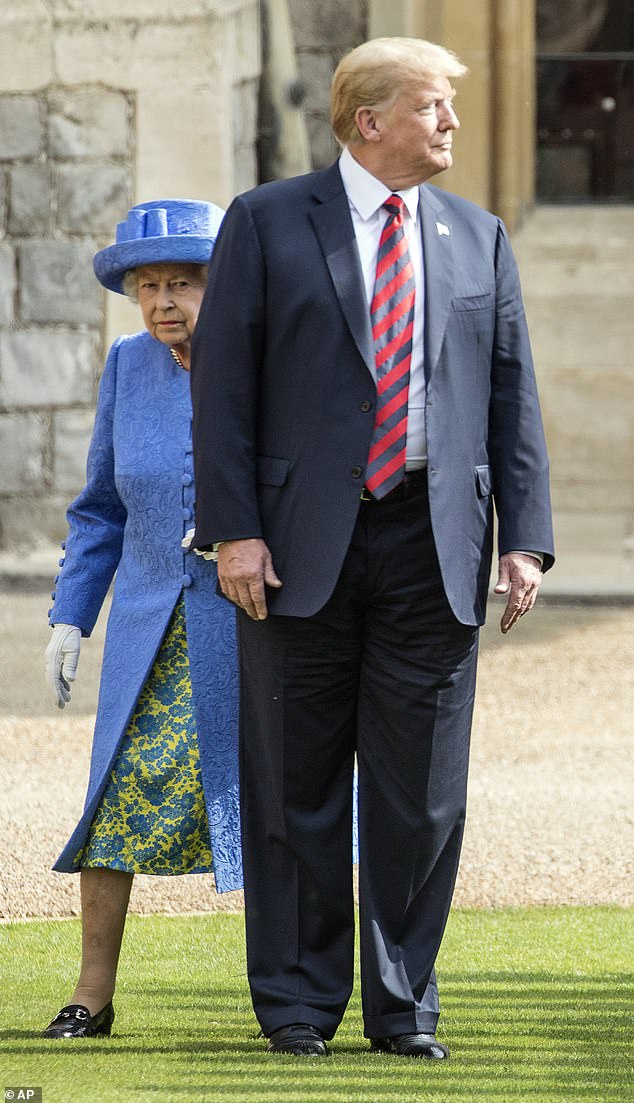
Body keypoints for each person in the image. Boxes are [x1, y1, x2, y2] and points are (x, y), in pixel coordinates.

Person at [190, 37, 555, 1059]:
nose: (448, 124)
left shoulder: (478, 236)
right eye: (433, 107)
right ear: (369, 121)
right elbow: (220, 391)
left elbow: (510, 397)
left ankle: (404, 1008)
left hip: (431, 545)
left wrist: (524, 540)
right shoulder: (266, 222)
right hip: (295, 548)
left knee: (422, 795)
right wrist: (235, 531)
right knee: (294, 786)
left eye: (448, 109)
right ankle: (299, 1004)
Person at [43, 200, 242, 1039]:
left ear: (219, 284)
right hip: (148, 633)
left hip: (253, 627)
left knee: (276, 807)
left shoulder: (261, 358)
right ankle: (91, 994)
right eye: (148, 284)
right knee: (116, 802)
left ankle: (296, 1002)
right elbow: (99, 510)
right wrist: (71, 616)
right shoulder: (127, 365)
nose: (165, 300)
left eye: (184, 281)